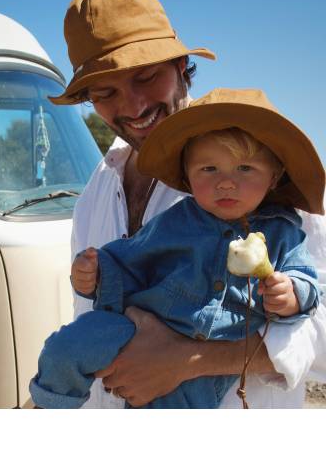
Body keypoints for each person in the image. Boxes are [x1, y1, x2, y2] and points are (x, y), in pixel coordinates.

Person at [49, 0, 326, 407]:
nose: (134, 105)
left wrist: (189, 361)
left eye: (146, 76)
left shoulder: (258, 164)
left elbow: (319, 329)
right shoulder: (97, 188)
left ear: (181, 65)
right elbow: (87, 315)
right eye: (105, 92)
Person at [32, 89, 322, 408]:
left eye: (244, 169)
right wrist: (96, 273)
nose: (226, 182)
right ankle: (52, 402)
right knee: (68, 344)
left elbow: (306, 279)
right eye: (209, 169)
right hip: (135, 327)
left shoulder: (285, 231)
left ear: (274, 176)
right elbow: (130, 260)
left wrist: (293, 294)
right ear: (187, 175)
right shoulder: (176, 219)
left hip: (213, 356)